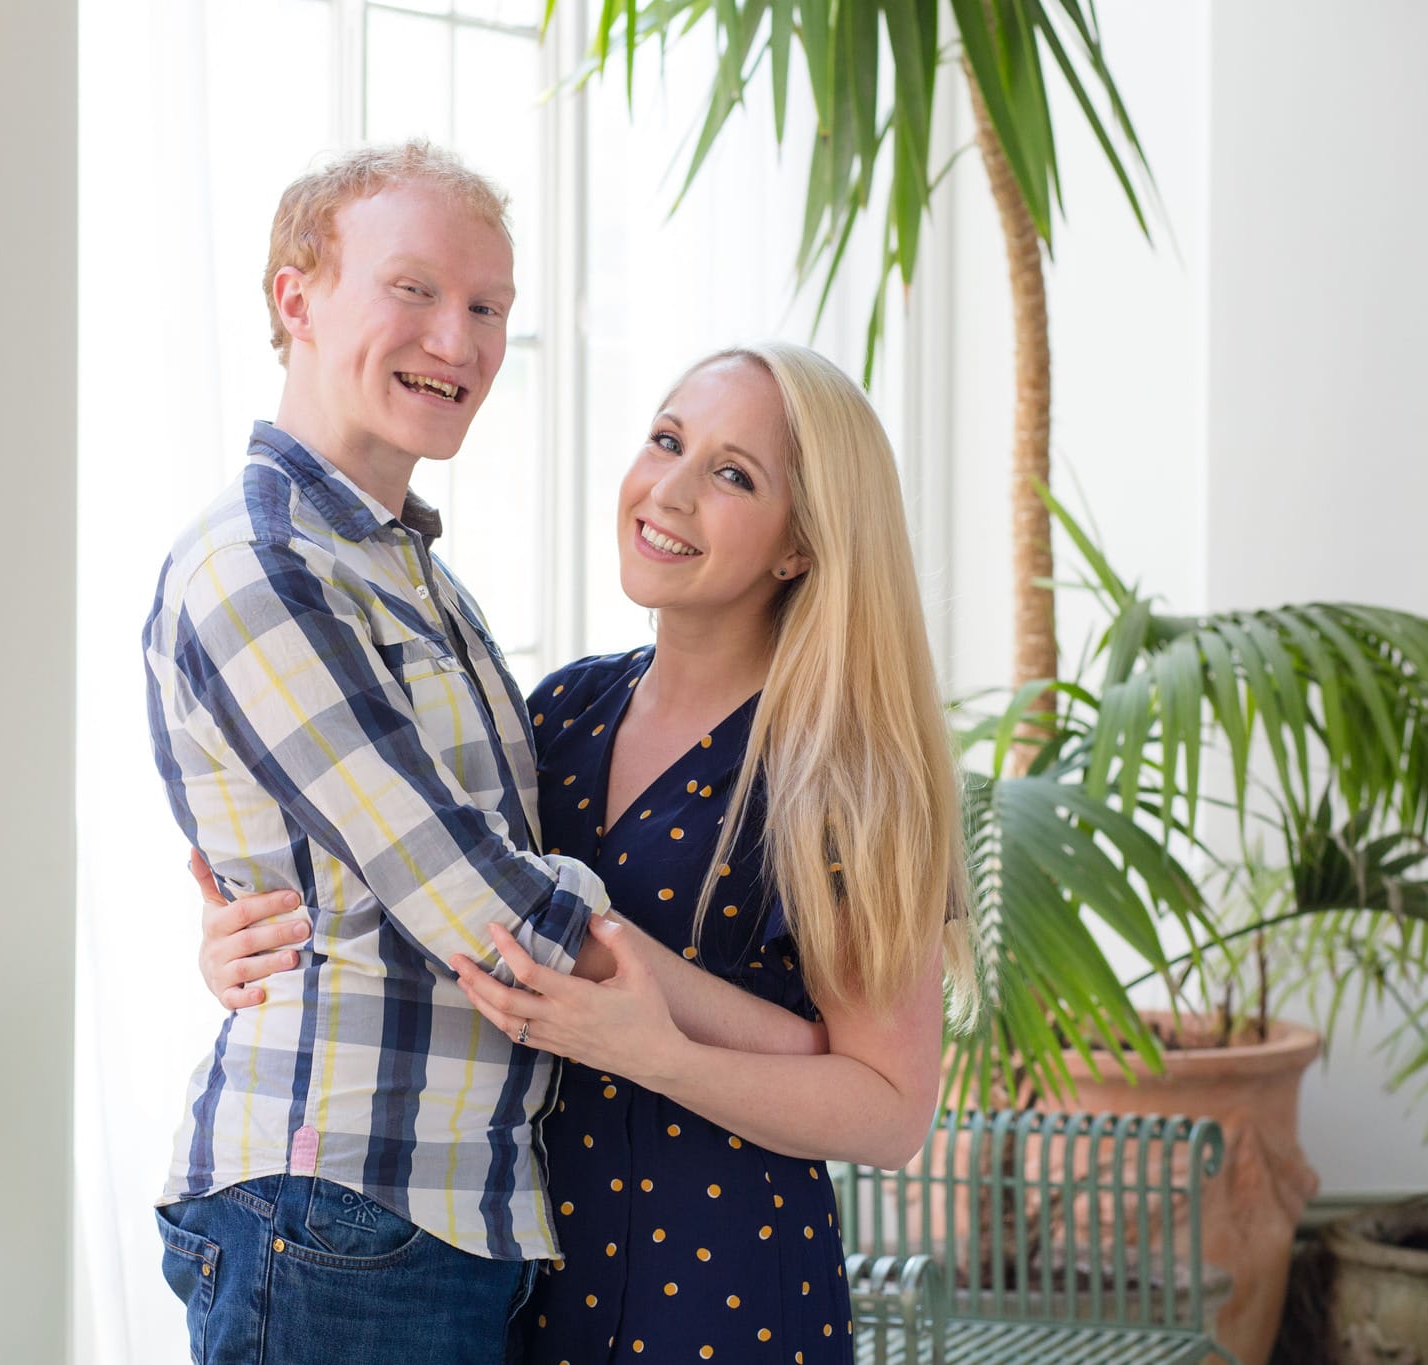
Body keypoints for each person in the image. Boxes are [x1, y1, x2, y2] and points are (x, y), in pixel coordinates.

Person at [198, 341, 981, 1363]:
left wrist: (655, 1051)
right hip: (509, 1282)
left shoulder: (846, 773)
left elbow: (886, 1111)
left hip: (723, 1302)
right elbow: (425, 890)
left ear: (800, 545)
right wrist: (249, 939)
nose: (670, 489)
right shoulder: (560, 710)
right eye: (666, 441)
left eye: (732, 474)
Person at [145, 140, 630, 1365]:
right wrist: (759, 1026)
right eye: (413, 289)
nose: (458, 342)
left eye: (487, 308)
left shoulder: (412, 575)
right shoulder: (260, 563)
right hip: (341, 1205)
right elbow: (466, 894)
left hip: (442, 1210)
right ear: (295, 297)